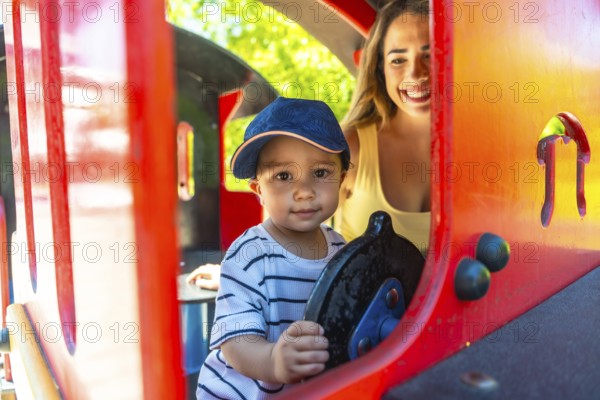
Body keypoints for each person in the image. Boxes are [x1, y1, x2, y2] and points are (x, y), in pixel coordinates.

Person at [196, 97, 350, 399]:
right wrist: (273, 361)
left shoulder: (340, 249)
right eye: (283, 176)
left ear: (342, 179)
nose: (304, 191)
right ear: (259, 191)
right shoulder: (249, 256)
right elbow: (236, 342)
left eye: (320, 173)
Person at [339, 0, 431, 252]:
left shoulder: (482, 151)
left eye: (430, 55)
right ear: (380, 69)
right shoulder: (348, 146)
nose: (416, 74)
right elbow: (286, 249)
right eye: (398, 60)